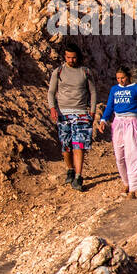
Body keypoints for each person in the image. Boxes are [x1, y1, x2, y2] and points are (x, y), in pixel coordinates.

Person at [96, 66, 137, 198]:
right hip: (117, 123)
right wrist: (103, 121)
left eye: (122, 77)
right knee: (119, 157)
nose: (120, 80)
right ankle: (126, 182)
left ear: (128, 76)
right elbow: (110, 106)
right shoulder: (114, 89)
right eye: (118, 78)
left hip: (132, 122)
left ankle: (133, 190)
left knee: (132, 155)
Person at [48, 43, 98, 191]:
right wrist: (52, 108)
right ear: (65, 57)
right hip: (63, 113)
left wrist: (93, 110)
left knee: (79, 145)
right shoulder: (58, 71)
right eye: (69, 57)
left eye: (74, 57)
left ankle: (78, 176)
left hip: (81, 113)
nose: (71, 60)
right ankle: (70, 169)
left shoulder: (85, 72)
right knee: (66, 146)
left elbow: (93, 92)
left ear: (78, 57)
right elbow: (51, 92)